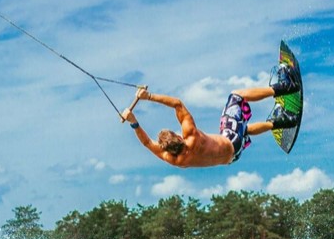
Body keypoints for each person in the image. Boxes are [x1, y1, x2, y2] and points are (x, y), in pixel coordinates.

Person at [121, 63, 300, 167]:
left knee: (242, 129)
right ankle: (286, 87)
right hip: (231, 141)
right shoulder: (191, 136)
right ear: (178, 136)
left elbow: (147, 143)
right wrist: (149, 96)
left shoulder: (176, 160)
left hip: (232, 157)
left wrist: (133, 121)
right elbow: (177, 104)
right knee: (236, 96)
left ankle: (284, 121)